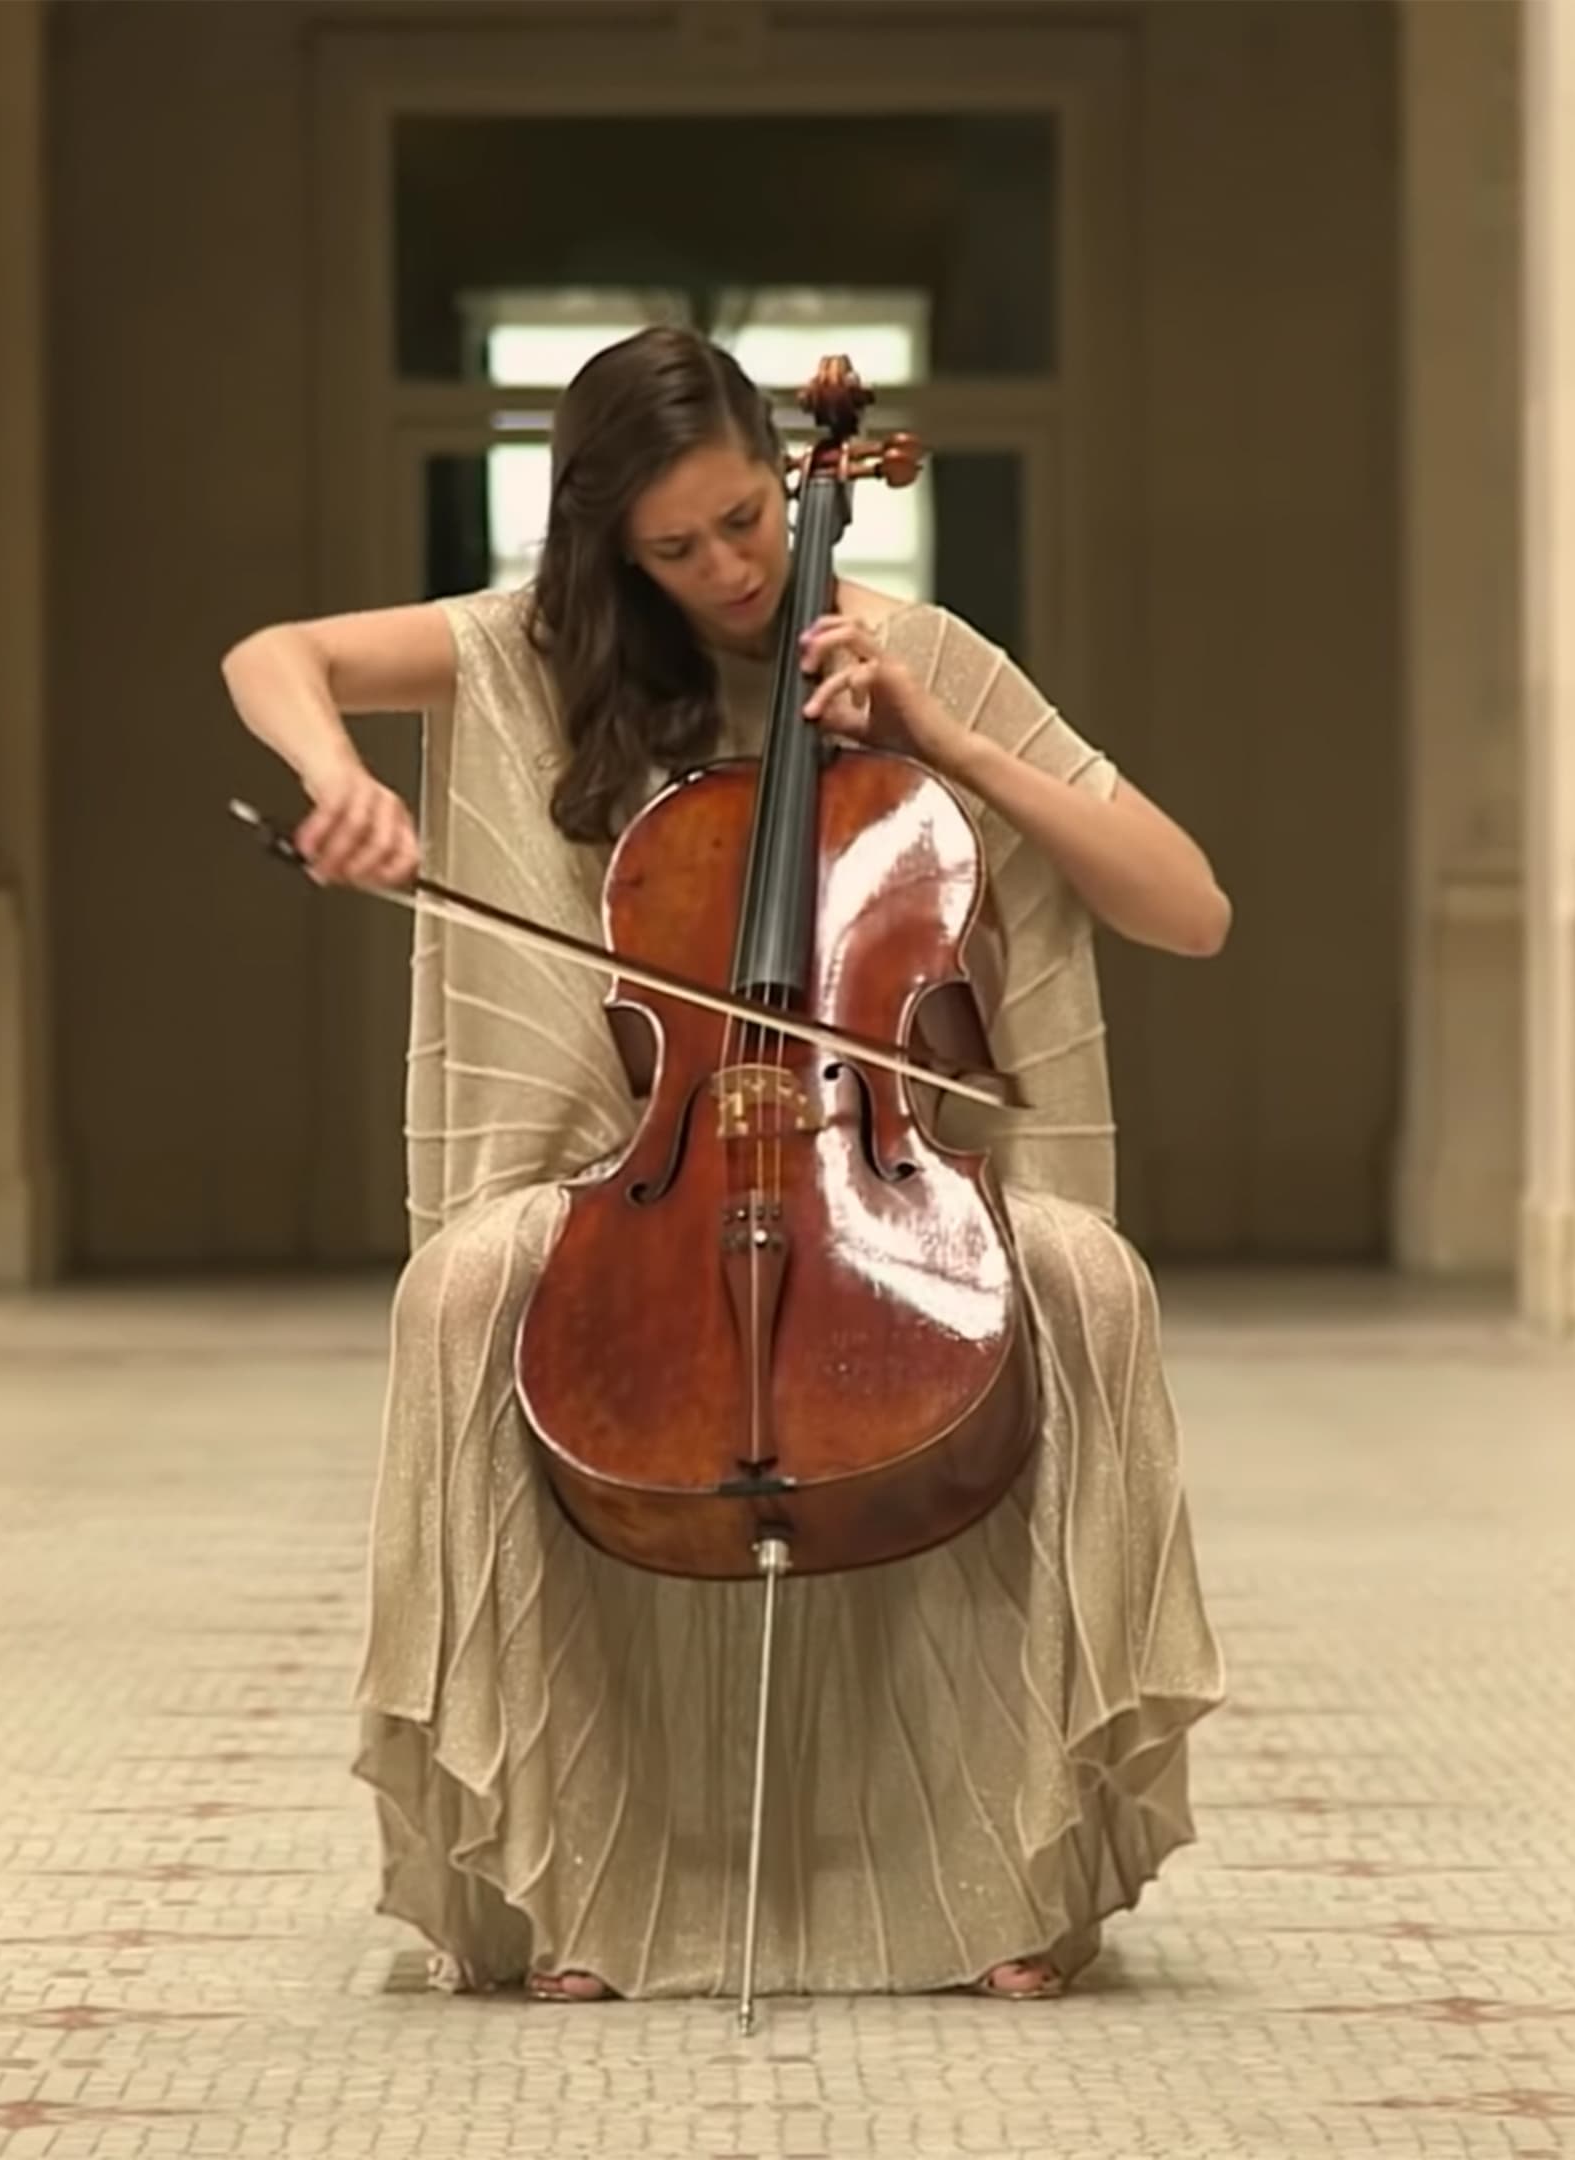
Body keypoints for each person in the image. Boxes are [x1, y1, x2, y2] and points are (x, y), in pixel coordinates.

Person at [217, 325, 1229, 2004]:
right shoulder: (540, 653)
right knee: (462, 1296)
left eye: (747, 521)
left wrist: (947, 743)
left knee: (1087, 1284)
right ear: (616, 550)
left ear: (785, 475)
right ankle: (572, 1877)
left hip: (880, 1162)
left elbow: (1189, 909)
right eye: (675, 549)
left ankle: (1006, 1865)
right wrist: (334, 779)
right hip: (646, 1165)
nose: (731, 571)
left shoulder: (911, 652)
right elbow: (276, 655)